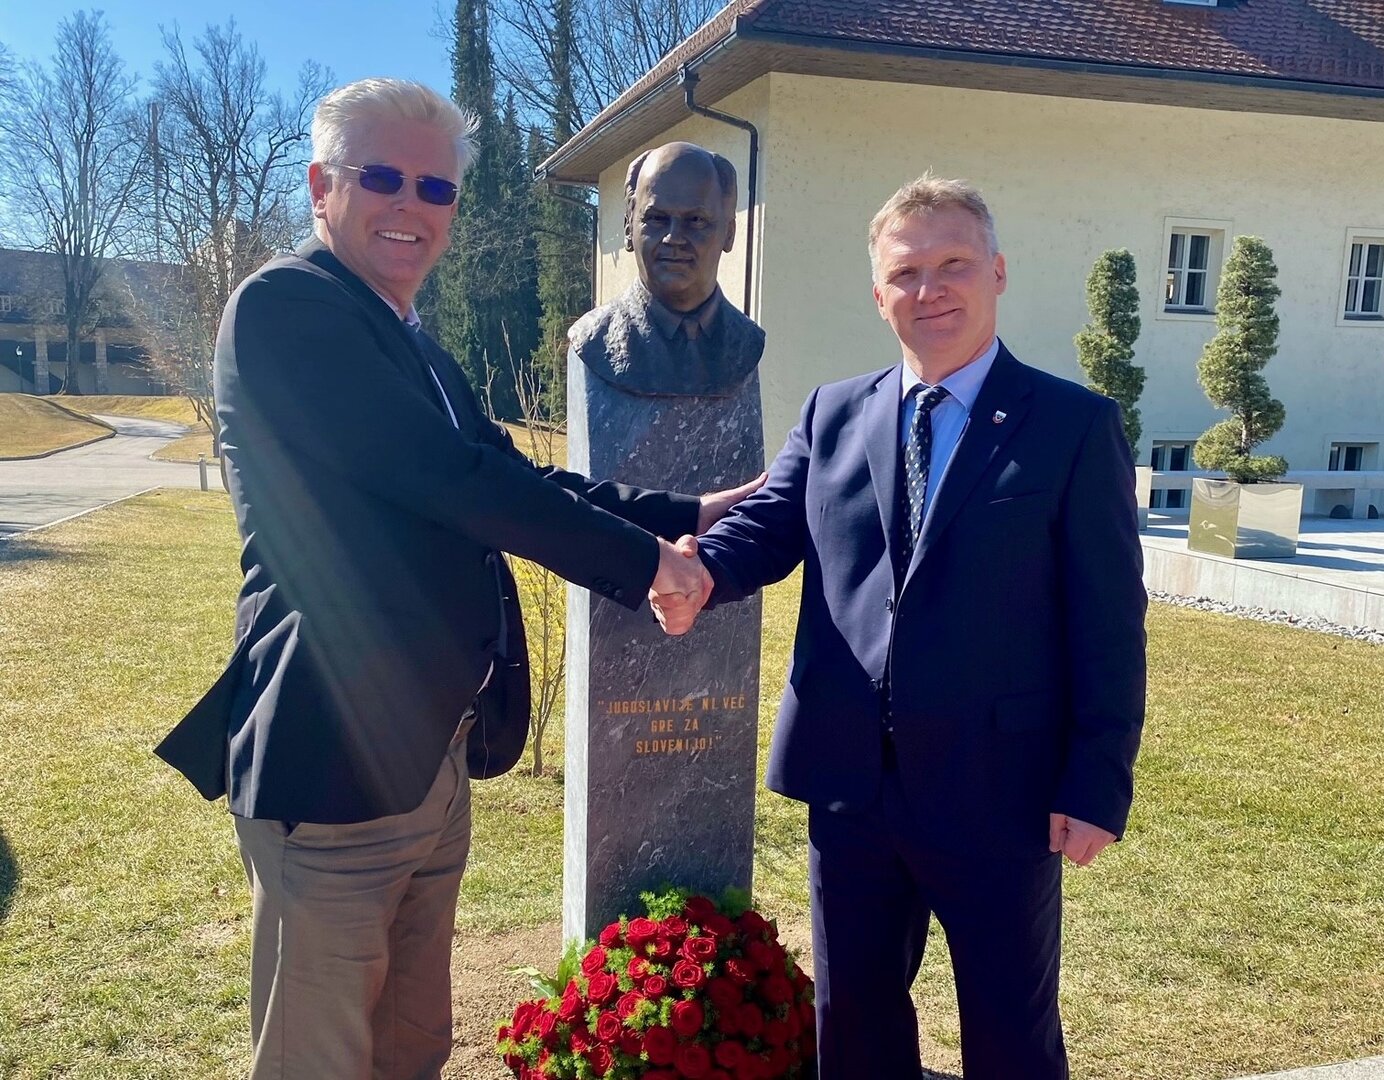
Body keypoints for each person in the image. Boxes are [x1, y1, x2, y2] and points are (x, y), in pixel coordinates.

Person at [154, 77, 755, 1080]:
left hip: (428, 758)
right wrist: (646, 565)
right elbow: (450, 480)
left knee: (411, 1045)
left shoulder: (412, 343)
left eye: (435, 189)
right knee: (322, 1055)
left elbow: (514, 474)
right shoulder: (286, 309)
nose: (411, 208)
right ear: (319, 187)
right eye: (380, 177)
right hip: (332, 764)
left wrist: (681, 516)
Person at [654, 174, 1147, 1079]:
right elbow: (770, 525)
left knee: (1011, 1032)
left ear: (997, 272)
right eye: (906, 273)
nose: (931, 290)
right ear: (878, 295)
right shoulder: (833, 412)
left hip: (1000, 789)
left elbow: (1109, 621)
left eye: (953, 264)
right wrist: (703, 573)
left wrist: (1096, 781)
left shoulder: (1073, 428)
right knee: (856, 1029)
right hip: (852, 788)